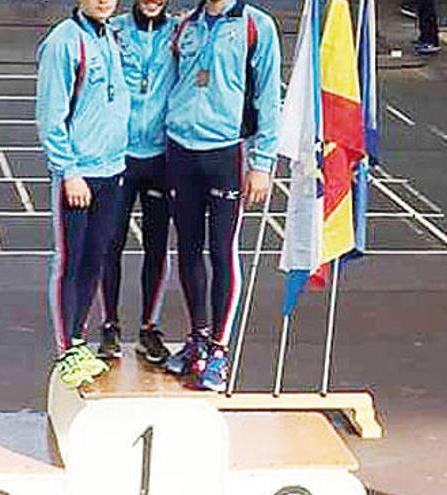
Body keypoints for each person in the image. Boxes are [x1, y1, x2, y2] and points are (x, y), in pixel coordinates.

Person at [163, 0, 282, 391]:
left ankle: (219, 350)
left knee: (222, 250)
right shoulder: (186, 26)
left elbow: (268, 99)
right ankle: (196, 338)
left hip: (226, 152)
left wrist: (262, 163)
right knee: (188, 248)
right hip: (180, 149)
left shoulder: (256, 27)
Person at [36, 0, 131, 387]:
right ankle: (65, 349)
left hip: (112, 170)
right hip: (78, 176)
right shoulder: (63, 42)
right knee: (69, 263)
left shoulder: (112, 36)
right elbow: (50, 117)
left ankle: (79, 338)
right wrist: (69, 171)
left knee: (95, 259)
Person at [98, 0, 176, 365]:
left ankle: (150, 327)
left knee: (157, 246)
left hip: (160, 156)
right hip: (120, 156)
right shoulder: (114, 32)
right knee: (109, 242)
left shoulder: (181, 33)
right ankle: (109, 324)